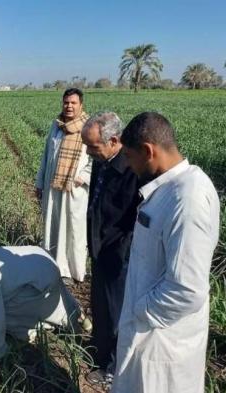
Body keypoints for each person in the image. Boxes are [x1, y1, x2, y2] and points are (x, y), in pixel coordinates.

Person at [112, 112, 220, 393]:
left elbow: (186, 290)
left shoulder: (187, 199)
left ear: (148, 151)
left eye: (129, 156)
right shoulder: (169, 189)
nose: (128, 165)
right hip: (148, 331)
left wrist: (139, 310)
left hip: (161, 340)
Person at [81, 112, 140, 388]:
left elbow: (134, 220)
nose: (88, 152)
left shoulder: (132, 169)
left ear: (114, 140)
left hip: (118, 255)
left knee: (117, 313)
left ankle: (113, 370)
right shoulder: (102, 160)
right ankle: (100, 353)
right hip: (99, 247)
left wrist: (120, 251)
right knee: (100, 307)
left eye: (92, 146)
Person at [35, 88, 92, 282]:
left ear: (81, 105)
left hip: (74, 190)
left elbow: (97, 159)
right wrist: (40, 182)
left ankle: (71, 271)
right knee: (52, 224)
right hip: (53, 185)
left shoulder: (89, 127)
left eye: (73, 103)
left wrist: (83, 176)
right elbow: (46, 155)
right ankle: (52, 264)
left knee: (73, 229)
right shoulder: (56, 126)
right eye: (66, 102)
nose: (69, 106)